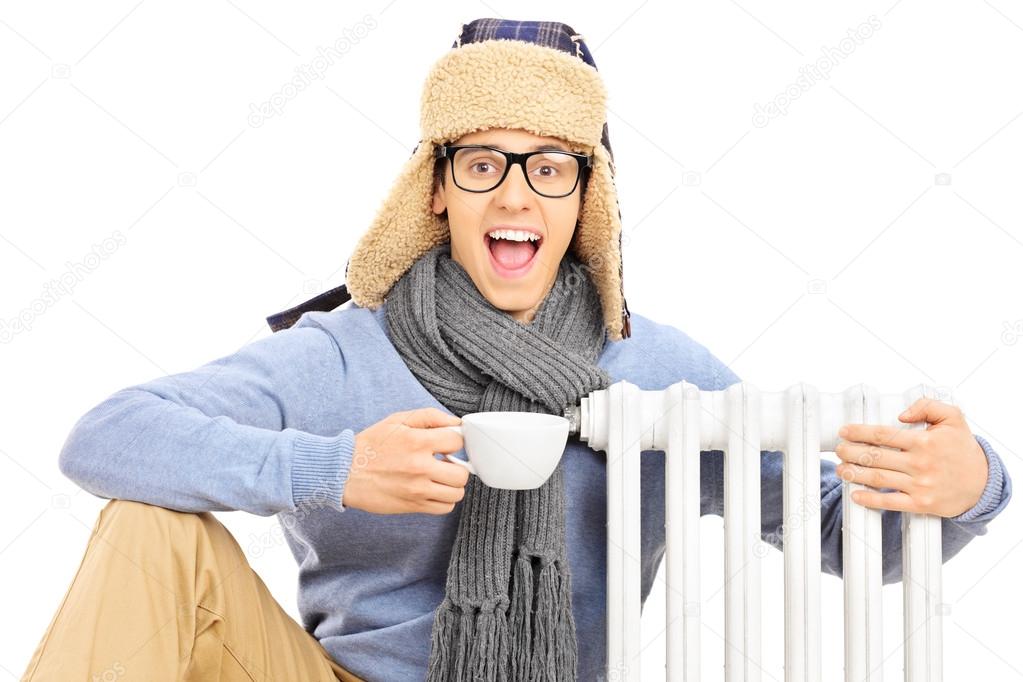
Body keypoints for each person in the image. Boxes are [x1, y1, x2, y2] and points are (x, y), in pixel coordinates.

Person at [23, 17, 1012, 682]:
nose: (514, 197)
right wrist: (334, 467)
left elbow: (847, 535)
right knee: (153, 530)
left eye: (548, 168)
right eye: (484, 162)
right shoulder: (341, 353)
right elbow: (107, 435)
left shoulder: (654, 371)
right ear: (437, 187)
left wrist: (972, 481)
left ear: (587, 197)